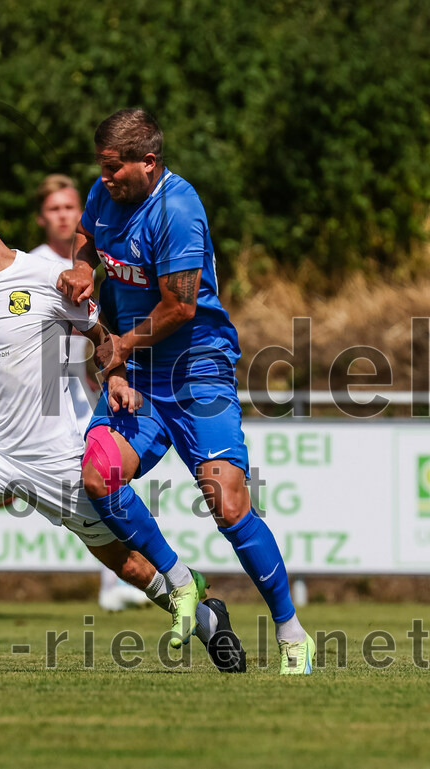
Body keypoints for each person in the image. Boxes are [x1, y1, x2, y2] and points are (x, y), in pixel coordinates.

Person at [0, 184, 244, 673]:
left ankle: (206, 620)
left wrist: (114, 377)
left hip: (55, 457)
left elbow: (102, 337)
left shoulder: (51, 278)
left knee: (128, 565)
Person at [59, 109, 315, 674]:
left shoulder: (177, 209)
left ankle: (291, 631)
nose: (103, 181)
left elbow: (180, 306)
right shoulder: (107, 197)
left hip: (198, 370)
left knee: (227, 504)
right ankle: (181, 580)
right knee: (98, 475)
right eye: (100, 169)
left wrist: (119, 346)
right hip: (140, 378)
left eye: (113, 169)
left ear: (148, 163)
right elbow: (85, 236)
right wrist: (81, 268)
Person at [0, 175, 148, 612]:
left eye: (71, 208)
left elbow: (97, 329)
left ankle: (123, 582)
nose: (64, 216)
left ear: (83, 217)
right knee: (31, 485)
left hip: (76, 389)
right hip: (44, 398)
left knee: (89, 483)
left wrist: (111, 370)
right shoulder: (26, 265)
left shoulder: (90, 263)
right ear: (42, 218)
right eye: (55, 209)